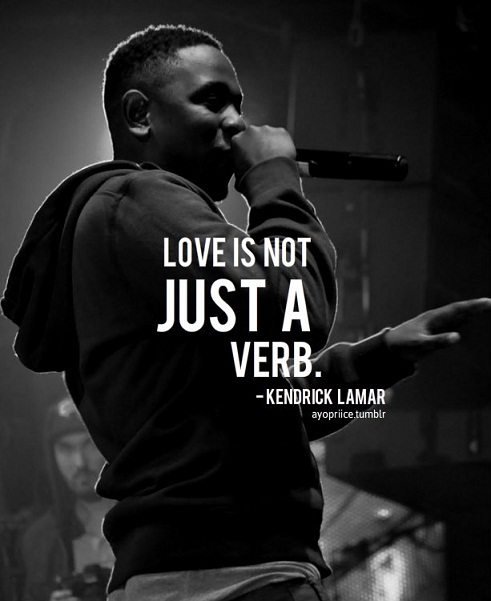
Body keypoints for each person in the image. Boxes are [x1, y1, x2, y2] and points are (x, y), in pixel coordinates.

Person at [1, 24, 489, 601]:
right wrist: (275, 182)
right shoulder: (137, 199)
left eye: (238, 105)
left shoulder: (137, 228)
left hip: (206, 571)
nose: (236, 123)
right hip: (232, 573)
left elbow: (262, 406)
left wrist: (378, 359)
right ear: (140, 114)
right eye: (212, 101)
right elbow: (295, 312)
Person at [20, 398, 114, 601]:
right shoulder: (41, 541)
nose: (79, 462)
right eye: (66, 448)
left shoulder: (151, 520)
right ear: (52, 455)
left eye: (89, 444)